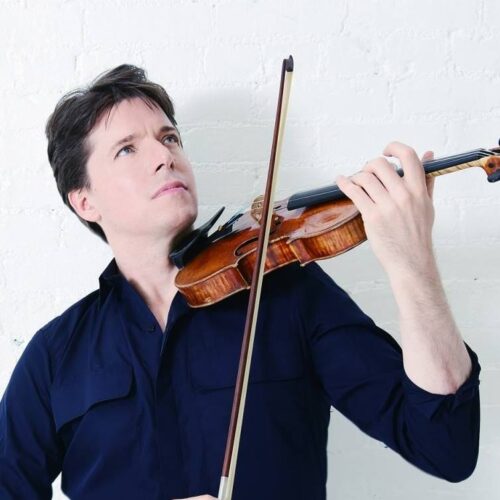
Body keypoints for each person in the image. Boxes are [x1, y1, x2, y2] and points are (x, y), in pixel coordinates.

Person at [0, 64, 480, 500]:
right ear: (85, 201)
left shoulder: (289, 293)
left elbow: (445, 445)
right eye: (128, 149)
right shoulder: (54, 355)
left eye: (170, 138)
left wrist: (413, 260)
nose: (165, 156)